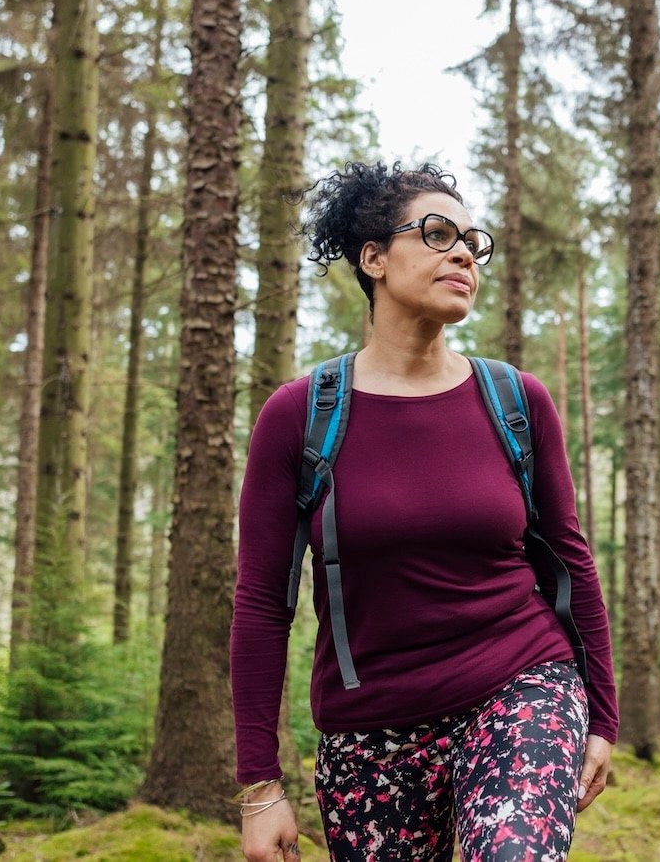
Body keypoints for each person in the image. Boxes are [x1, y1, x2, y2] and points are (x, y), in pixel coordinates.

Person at [230, 161, 618, 862]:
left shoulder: (517, 402)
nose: (464, 252)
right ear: (373, 258)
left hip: (521, 684)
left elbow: (570, 563)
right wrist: (260, 787)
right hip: (369, 732)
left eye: (473, 240)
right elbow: (262, 600)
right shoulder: (300, 416)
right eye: (437, 233)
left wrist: (604, 718)